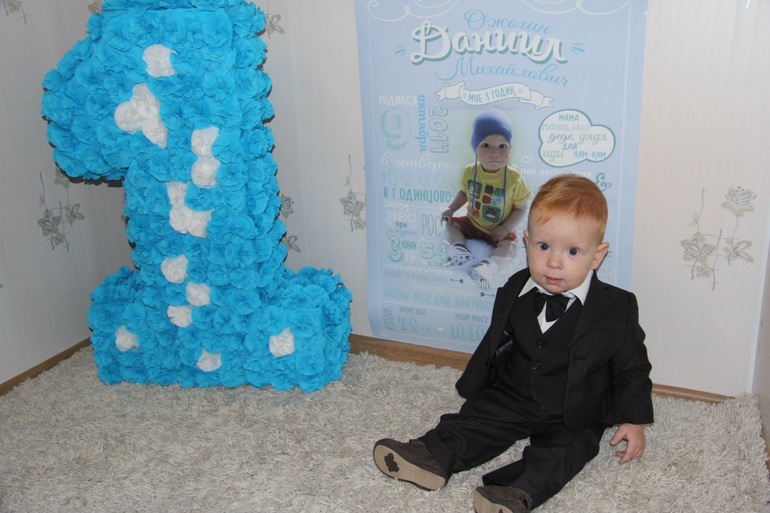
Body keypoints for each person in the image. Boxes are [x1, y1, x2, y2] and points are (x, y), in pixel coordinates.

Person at [373, 174, 654, 513]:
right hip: (515, 393)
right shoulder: (515, 288)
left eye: (572, 251)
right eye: (543, 246)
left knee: (565, 452)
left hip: (575, 409)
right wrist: (481, 384)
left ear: (597, 256)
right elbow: (498, 340)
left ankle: (515, 491)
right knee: (479, 418)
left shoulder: (617, 307)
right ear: (527, 241)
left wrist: (633, 419)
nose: (554, 262)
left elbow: (633, 366)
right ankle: (432, 455)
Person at [441, 107, 531, 286]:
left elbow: (521, 208)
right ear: (475, 148)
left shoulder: (514, 179)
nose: (495, 152)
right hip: (473, 223)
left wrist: (506, 228)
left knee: (511, 246)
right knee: (450, 224)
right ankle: (459, 249)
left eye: (502, 146)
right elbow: (464, 193)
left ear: (510, 148)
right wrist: (451, 209)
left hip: (498, 230)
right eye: (486, 145)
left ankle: (488, 266)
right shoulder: (470, 171)